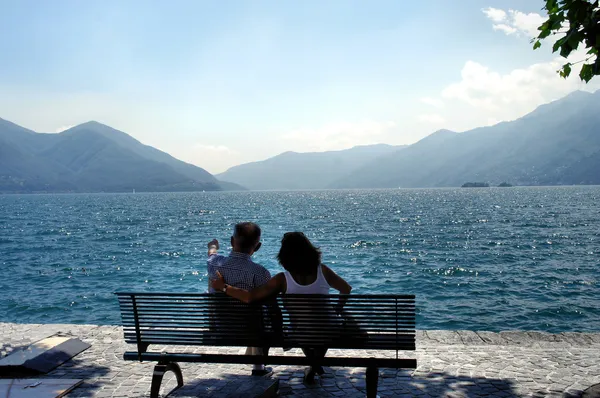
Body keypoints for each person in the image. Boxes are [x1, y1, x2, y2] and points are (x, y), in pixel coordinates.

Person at [211, 231, 352, 383]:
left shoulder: (282, 279)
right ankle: (315, 365)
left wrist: (224, 287)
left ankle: (314, 365)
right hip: (330, 330)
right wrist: (337, 310)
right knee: (323, 327)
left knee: (300, 328)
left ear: (284, 255)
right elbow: (346, 289)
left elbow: (249, 297)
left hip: (300, 333)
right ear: (310, 251)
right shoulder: (323, 270)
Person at [206, 222, 273, 376]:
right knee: (261, 316)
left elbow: (211, 255)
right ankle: (259, 367)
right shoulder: (261, 273)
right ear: (257, 247)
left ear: (231, 241)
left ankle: (258, 365)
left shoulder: (214, 265)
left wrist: (213, 246)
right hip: (251, 330)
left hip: (222, 327)